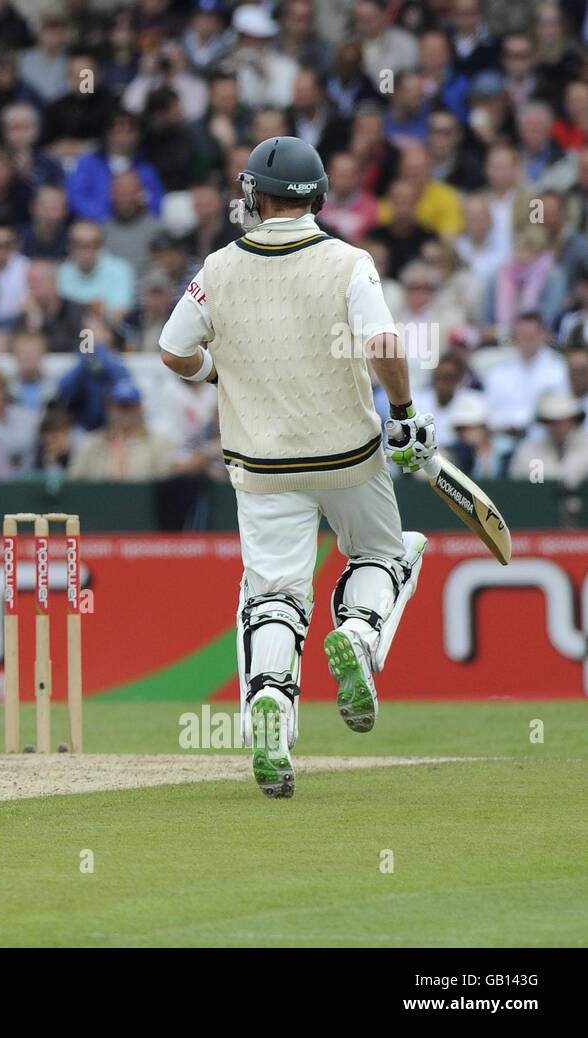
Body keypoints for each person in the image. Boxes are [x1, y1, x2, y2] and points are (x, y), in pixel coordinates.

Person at [159, 137, 431, 799]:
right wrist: (403, 414)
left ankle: (271, 712)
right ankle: (360, 636)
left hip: (262, 464)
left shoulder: (218, 268)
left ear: (255, 194)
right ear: (318, 197)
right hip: (349, 455)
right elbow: (386, 343)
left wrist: (215, 370)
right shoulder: (347, 260)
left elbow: (172, 351)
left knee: (274, 597)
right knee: (384, 556)